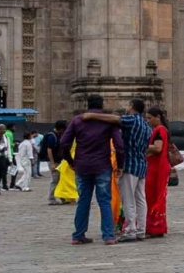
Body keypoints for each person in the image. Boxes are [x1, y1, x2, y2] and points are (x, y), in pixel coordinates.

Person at [59, 97, 123, 245]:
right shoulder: (108, 121)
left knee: (83, 201)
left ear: (87, 105)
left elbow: (64, 143)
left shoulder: (77, 120)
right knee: (104, 201)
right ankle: (108, 235)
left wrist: (70, 161)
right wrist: (120, 164)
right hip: (102, 165)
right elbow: (119, 145)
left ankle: (78, 235)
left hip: (82, 165)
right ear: (102, 105)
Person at [117, 99, 151, 242]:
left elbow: (116, 120)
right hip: (141, 164)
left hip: (130, 164)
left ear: (131, 106)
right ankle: (141, 229)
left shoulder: (131, 120)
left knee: (128, 198)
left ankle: (130, 229)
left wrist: (93, 116)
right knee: (140, 199)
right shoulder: (146, 126)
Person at [144, 106, 171, 236]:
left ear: (157, 117)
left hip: (156, 168)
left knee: (152, 196)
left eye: (150, 118)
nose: (148, 121)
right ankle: (157, 225)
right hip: (158, 166)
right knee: (156, 196)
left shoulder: (159, 130)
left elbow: (158, 148)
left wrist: (142, 145)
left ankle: (154, 226)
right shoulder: (162, 130)